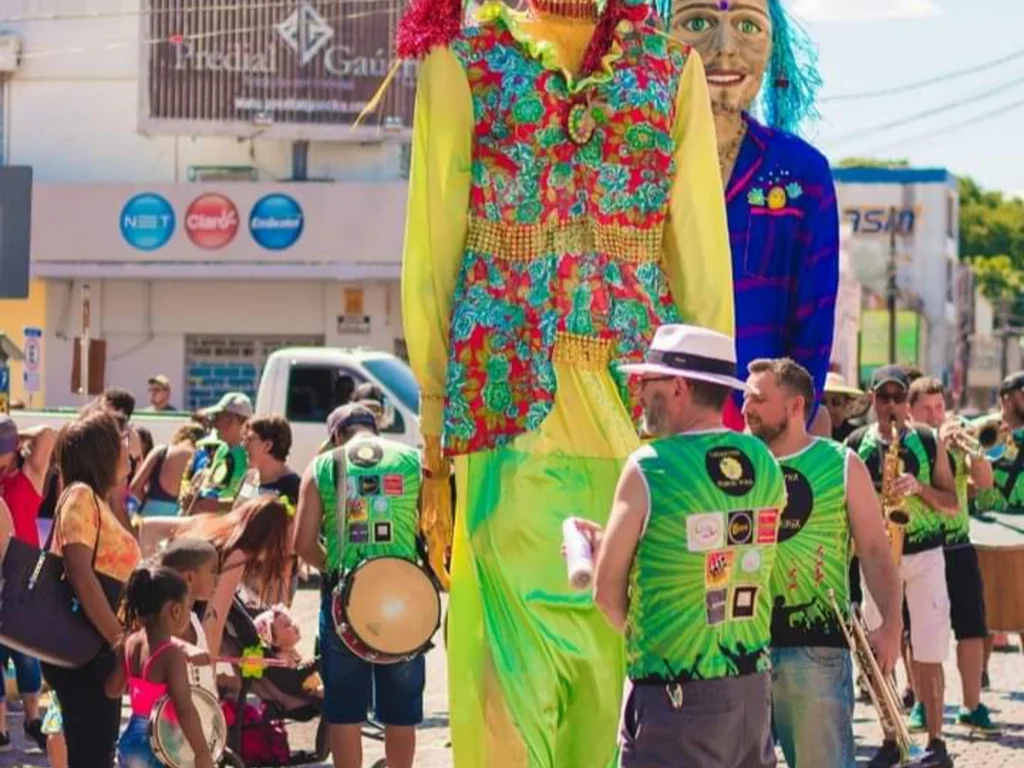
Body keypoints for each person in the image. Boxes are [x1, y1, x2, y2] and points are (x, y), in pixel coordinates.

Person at [396, 0, 736, 759]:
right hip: (536, 426)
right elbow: (703, 272)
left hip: (593, 431)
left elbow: (430, 260)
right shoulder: (466, 59)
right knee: (593, 673)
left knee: (552, 688)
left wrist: (433, 427)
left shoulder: (660, 69)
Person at [575, 325, 784, 766]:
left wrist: (602, 560)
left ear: (678, 387)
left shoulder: (650, 467)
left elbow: (607, 595)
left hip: (675, 698)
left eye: (646, 381)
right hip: (751, 686)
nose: (639, 392)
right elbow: (721, 544)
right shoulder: (763, 461)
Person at [666, 0, 839, 435]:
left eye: (747, 26)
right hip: (647, 426)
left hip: (753, 437)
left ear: (775, 45)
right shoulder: (634, 161)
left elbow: (812, 324)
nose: (724, 49)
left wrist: (781, 425)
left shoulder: (801, 174)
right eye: (698, 22)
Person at [742, 358, 901, 767]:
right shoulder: (737, 465)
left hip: (814, 650)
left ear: (795, 407)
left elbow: (875, 550)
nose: (746, 409)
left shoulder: (839, 463)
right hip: (738, 652)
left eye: (758, 399)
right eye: (745, 398)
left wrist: (891, 625)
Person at [294, 403, 426, 768]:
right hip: (405, 600)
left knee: (345, 710)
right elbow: (432, 525)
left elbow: (302, 543)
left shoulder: (323, 465)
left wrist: (339, 570)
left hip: (343, 604)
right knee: (401, 712)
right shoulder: (413, 461)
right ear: (374, 430)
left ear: (336, 435)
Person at [845, 365, 959, 768]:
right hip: (877, 558)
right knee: (879, 651)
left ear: (906, 402)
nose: (890, 406)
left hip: (924, 552)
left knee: (929, 650)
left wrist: (919, 488)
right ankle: (891, 734)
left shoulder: (927, 440)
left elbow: (952, 502)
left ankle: (936, 740)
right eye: (883, 398)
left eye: (898, 398)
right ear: (872, 399)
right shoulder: (856, 443)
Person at [42, 411, 142, 768]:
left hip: (96, 648)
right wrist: (119, 640)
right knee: (92, 757)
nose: (129, 451)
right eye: (122, 442)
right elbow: (79, 572)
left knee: (96, 754)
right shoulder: (81, 496)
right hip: (89, 650)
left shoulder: (97, 500)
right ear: (102, 452)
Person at [908, 376, 1000, 733]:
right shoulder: (911, 443)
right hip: (921, 544)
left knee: (971, 627)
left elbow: (986, 482)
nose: (934, 415)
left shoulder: (958, 439)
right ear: (911, 410)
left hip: (958, 545)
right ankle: (921, 702)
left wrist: (971, 448)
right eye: (926, 408)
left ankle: (972, 704)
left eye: (939, 407)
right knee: (917, 631)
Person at [107, 566, 216, 768]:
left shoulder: (130, 643)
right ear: (175, 610)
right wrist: (202, 752)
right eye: (187, 607)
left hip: (130, 740)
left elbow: (112, 690)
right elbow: (185, 709)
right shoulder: (171, 656)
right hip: (158, 744)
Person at [0, 415, 56, 751]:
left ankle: (33, 719)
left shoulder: (29, 477)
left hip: (24, 578)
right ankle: (3, 728)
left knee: (25, 654)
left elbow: (48, 435)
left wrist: (13, 435)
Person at [158, 537, 226, 694]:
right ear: (189, 578)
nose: (218, 580)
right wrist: (184, 648)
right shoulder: (162, 619)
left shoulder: (194, 621)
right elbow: (155, 640)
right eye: (213, 571)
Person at [185, 392, 252, 514]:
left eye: (217, 417)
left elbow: (248, 501)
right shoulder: (222, 450)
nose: (214, 424)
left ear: (230, 420)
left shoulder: (250, 454)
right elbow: (214, 485)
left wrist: (217, 505)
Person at [130, 423, 206, 517]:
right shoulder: (202, 459)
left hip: (151, 515)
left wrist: (147, 504)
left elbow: (135, 487)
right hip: (183, 519)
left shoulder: (161, 451)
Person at [243, 415, 301, 507]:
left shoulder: (294, 487)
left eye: (249, 439)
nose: (244, 445)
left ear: (267, 445)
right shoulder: (249, 477)